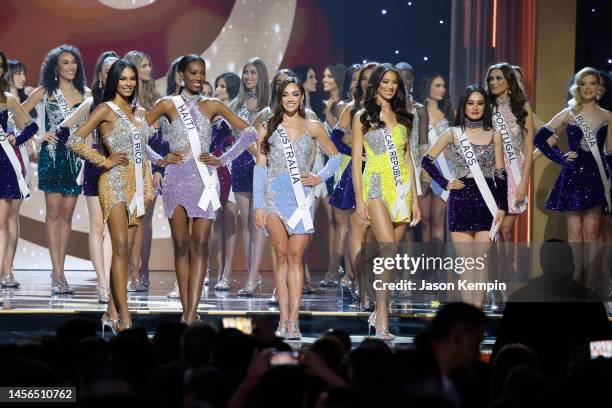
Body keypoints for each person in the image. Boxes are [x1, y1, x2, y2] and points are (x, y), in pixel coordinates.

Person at [62, 59, 177, 332]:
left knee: (127, 255)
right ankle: (124, 317)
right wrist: (104, 161)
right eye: (123, 78)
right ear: (114, 80)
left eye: (132, 78)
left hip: (141, 185)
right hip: (113, 183)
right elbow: (74, 139)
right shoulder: (105, 109)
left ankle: (110, 312)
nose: (128, 83)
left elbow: (143, 148)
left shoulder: (139, 111)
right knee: (121, 247)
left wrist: (162, 160)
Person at [147, 54, 257, 324]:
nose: (197, 77)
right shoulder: (166, 104)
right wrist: (158, 160)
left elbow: (250, 133)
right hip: (175, 179)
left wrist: (223, 159)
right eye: (192, 72)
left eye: (201, 73)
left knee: (200, 246)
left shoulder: (213, 105)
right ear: (180, 76)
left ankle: (190, 312)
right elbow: (135, 135)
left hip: (205, 180)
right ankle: (186, 308)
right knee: (181, 245)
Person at [253, 77, 341, 339]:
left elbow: (336, 157)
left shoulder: (314, 127)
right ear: (279, 99)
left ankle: (295, 320)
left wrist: (319, 177)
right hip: (273, 198)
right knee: (281, 257)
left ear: (302, 97)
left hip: (301, 201)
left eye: (295, 94)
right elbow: (260, 166)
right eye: (285, 95)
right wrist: (258, 205)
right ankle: (282, 320)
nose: (290, 99)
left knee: (296, 257)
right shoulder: (267, 127)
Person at [352, 63, 421, 340]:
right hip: (376, 184)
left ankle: (379, 308)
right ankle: (382, 316)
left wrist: (415, 199)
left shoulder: (406, 117)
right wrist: (359, 200)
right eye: (386, 81)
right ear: (376, 84)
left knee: (388, 256)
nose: (391, 87)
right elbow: (357, 161)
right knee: (388, 248)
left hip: (401, 187)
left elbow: (408, 159)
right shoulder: (363, 116)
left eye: (395, 82)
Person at [421, 85, 507, 307]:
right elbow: (426, 161)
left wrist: (502, 206)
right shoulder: (453, 133)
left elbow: (500, 173)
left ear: (485, 106)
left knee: (481, 262)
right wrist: (445, 183)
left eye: (480, 103)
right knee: (468, 264)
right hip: (461, 200)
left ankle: (476, 315)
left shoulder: (495, 135)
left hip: (487, 202)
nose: (475, 107)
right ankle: (468, 314)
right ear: (464, 105)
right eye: (470, 103)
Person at [23, 44, 89, 294]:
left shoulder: (86, 93)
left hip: (74, 158)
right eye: (65, 62)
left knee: (68, 214)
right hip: (52, 157)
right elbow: (19, 114)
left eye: (73, 62)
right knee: (53, 212)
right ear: (55, 67)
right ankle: (57, 272)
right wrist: (38, 138)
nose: (70, 66)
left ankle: (60, 269)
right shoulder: (45, 92)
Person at [58, 51, 118, 302]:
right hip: (97, 169)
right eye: (108, 70)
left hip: (120, 171)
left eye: (117, 70)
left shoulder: (130, 106)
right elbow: (64, 132)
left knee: (116, 230)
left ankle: (110, 280)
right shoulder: (92, 103)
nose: (113, 75)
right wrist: (94, 156)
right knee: (97, 226)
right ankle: (102, 284)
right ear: (101, 76)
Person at [219, 58, 269, 292]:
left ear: (261, 75)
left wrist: (259, 153)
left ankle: (253, 275)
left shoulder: (269, 105)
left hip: (263, 166)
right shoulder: (236, 104)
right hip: (240, 165)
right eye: (245, 72)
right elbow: (238, 136)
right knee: (245, 221)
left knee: (258, 221)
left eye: (252, 72)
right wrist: (252, 148)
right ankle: (252, 275)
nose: (248, 76)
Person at [124, 50, 162, 292]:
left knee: (144, 222)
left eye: (150, 64)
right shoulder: (122, 98)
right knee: (129, 222)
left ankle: (141, 270)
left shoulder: (157, 100)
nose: (149, 69)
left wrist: (158, 168)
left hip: (149, 167)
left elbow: (160, 139)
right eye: (145, 65)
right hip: (126, 166)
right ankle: (129, 270)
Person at [0, 51, 39, 288]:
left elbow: (32, 126)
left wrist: (17, 136)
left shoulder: (7, 99)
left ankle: (5, 272)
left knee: (3, 223)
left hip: (4, 164)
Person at [486, 63, 534, 241]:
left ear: (509, 81)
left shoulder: (523, 108)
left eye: (499, 78)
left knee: (505, 230)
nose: (494, 82)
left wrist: (524, 183)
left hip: (514, 173)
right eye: (491, 78)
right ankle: (489, 269)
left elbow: (529, 149)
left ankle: (505, 269)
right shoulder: (485, 108)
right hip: (490, 171)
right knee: (491, 228)